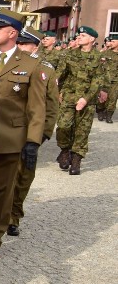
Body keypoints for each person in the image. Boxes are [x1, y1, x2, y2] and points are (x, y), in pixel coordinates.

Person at [0, 9, 47, 262]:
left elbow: (37, 109)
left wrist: (32, 142)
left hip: (10, 139)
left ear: (12, 33)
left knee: (4, 191)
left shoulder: (32, 65)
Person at [8, 27, 59, 236]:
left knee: (23, 176)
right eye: (18, 43)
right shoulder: (7, 63)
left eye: (24, 44)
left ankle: (14, 216)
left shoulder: (45, 69)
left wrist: (42, 135)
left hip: (31, 132)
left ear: (35, 46)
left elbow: (52, 105)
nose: (19, 47)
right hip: (8, 130)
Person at [55, 26, 107, 175]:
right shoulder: (69, 54)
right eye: (79, 35)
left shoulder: (99, 58)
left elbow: (97, 81)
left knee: (82, 131)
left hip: (87, 99)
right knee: (63, 126)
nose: (79, 37)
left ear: (92, 39)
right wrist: (55, 85)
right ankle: (65, 150)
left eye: (83, 35)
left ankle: (76, 160)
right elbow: (60, 73)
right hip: (68, 96)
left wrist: (85, 99)